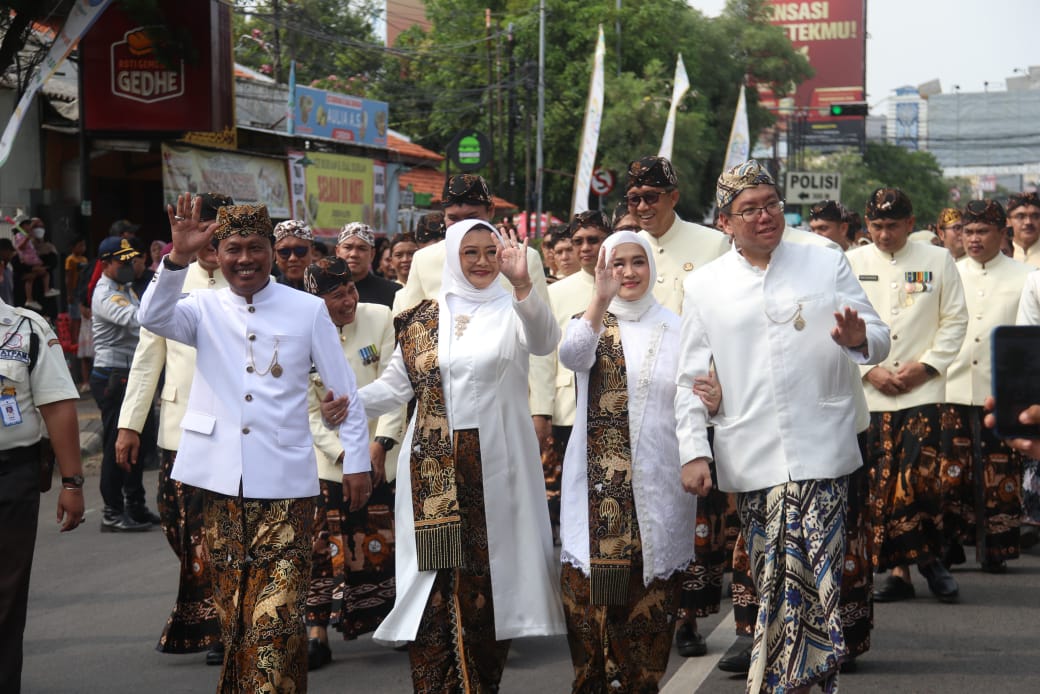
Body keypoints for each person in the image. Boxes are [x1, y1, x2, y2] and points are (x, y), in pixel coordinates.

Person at [138, 196, 371, 693]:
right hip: (219, 483)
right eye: (233, 248)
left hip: (286, 484)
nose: (245, 259)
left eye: (256, 248)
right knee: (238, 617)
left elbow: (344, 391)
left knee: (276, 616)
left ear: (272, 251)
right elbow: (152, 317)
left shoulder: (307, 310)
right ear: (217, 252)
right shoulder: (199, 307)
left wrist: (356, 460)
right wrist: (177, 258)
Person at [676, 160, 890, 693]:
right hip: (750, 454)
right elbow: (689, 379)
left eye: (771, 204)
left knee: (812, 576)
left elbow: (879, 337)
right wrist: (692, 451)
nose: (764, 216)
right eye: (748, 210)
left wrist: (858, 339)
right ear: (726, 223)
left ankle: (785, 682)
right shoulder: (706, 285)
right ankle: (805, 679)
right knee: (773, 577)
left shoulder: (823, 258)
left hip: (823, 447)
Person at [349, 218, 565, 691]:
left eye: (492, 252)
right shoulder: (421, 319)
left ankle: (478, 684)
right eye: (471, 252)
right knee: (430, 582)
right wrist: (348, 401)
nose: (483, 261)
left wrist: (525, 281)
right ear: (450, 256)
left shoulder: (516, 307)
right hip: (430, 468)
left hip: (495, 467)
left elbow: (547, 342)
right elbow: (395, 387)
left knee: (485, 586)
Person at [557, 230, 696, 691]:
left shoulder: (679, 327)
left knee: (647, 629)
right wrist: (599, 301)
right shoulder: (589, 324)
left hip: (658, 491)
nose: (629, 273)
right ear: (602, 268)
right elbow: (572, 354)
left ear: (651, 267)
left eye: (638, 262)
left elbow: (696, 401)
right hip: (595, 497)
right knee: (591, 621)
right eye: (618, 263)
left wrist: (715, 399)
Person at [114, 193, 232, 664]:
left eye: (218, 230)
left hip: (231, 433)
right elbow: (147, 363)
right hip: (178, 433)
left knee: (220, 533)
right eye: (201, 227)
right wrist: (128, 426)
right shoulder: (170, 282)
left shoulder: (246, 281)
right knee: (179, 528)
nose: (209, 239)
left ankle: (226, 619)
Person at [846, 187, 968, 604]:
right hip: (871, 392)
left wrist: (927, 365)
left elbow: (954, 320)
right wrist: (868, 369)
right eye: (876, 226)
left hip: (925, 389)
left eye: (893, 226)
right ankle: (900, 571)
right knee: (881, 484)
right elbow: (838, 324)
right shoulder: (850, 263)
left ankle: (931, 559)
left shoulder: (938, 260)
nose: (884, 235)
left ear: (911, 224)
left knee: (920, 480)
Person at [301, 257, 403, 669]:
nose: (348, 301)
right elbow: (307, 411)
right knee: (321, 548)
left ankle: (390, 620)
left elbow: (398, 384)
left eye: (351, 291)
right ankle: (316, 634)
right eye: (335, 294)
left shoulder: (379, 318)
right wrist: (345, 454)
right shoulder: (302, 333)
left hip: (384, 455)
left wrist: (379, 445)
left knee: (383, 544)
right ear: (315, 300)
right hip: (329, 464)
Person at [942, 199, 1035, 573]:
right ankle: (950, 546)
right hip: (952, 384)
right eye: (968, 231)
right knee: (951, 471)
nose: (974, 239)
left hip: (1000, 389)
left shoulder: (1026, 276)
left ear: (1002, 233)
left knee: (1000, 472)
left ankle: (996, 548)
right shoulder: (949, 272)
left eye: (982, 231)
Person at [0, 298, 84, 694]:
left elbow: (57, 405)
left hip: (10, 475)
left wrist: (72, 483)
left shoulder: (26, 328)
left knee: (6, 595)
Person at [532, 210, 612, 543]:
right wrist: (542, 411)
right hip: (569, 408)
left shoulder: (631, 281)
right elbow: (544, 355)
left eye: (593, 240)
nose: (585, 248)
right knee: (573, 496)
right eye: (577, 241)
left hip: (617, 405)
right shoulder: (557, 292)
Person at [91, 236, 158, 532]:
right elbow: (138, 319)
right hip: (114, 376)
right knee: (116, 445)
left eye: (132, 260)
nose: (131, 265)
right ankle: (111, 510)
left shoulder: (125, 287)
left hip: (131, 373)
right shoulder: (106, 294)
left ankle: (135, 504)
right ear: (106, 264)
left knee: (138, 444)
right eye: (124, 261)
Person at [625, 155, 731, 314]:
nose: (642, 207)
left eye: (651, 197)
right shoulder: (626, 249)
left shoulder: (716, 245)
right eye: (634, 199)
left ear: (673, 197)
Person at [335, 222, 400, 308]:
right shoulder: (322, 290)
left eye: (362, 248)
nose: (354, 254)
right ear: (337, 251)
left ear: (372, 254)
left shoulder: (394, 293)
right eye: (348, 247)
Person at [11, 215, 58, 310]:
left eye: (41, 227)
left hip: (45, 301)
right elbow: (17, 266)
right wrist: (31, 270)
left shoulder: (49, 248)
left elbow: (52, 264)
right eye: (36, 227)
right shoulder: (21, 249)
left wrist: (39, 270)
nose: (39, 230)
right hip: (25, 301)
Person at [273, 219, 314, 291]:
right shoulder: (267, 291)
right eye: (284, 252)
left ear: (312, 252)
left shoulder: (330, 290)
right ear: (275, 255)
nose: (293, 258)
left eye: (300, 250)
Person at [1008, 192, 1040, 268]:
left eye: (1035, 216)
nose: (1028, 222)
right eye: (1020, 216)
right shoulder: (999, 255)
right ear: (1008, 221)